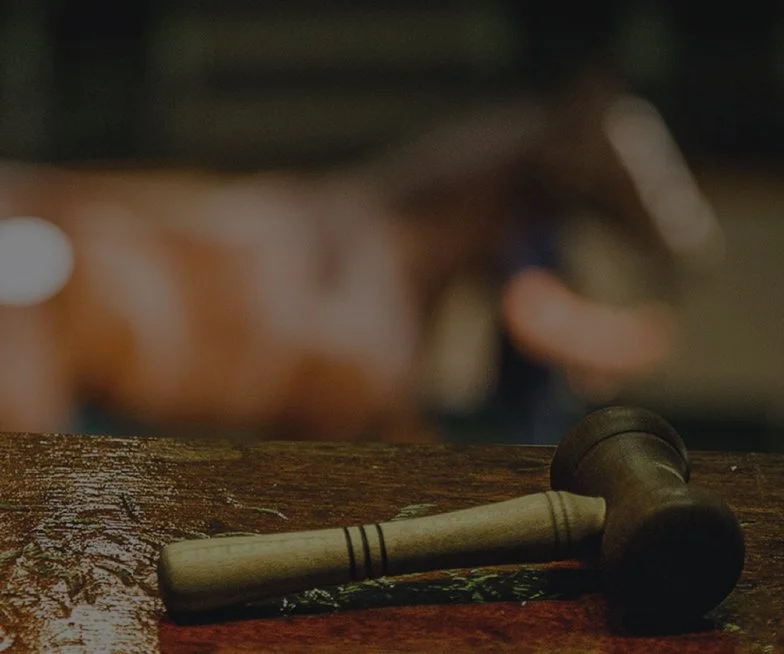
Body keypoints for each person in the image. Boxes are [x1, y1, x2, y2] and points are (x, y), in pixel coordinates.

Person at [0, 74, 723, 442]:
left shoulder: (507, 232)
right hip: (527, 431)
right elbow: (537, 315)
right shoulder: (510, 235)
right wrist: (625, 336)